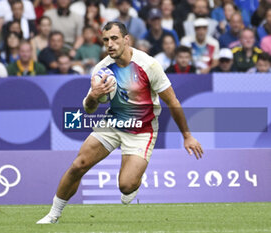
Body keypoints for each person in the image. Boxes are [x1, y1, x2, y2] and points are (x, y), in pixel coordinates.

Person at [36, 21, 203, 224]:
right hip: (113, 123)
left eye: (114, 38)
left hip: (143, 130)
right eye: (105, 40)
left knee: (126, 185)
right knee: (78, 164)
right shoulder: (102, 69)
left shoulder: (148, 65)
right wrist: (94, 96)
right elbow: (88, 108)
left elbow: (172, 101)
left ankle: (134, 181)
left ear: (126, 39)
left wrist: (187, 136)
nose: (110, 44)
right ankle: (53, 214)